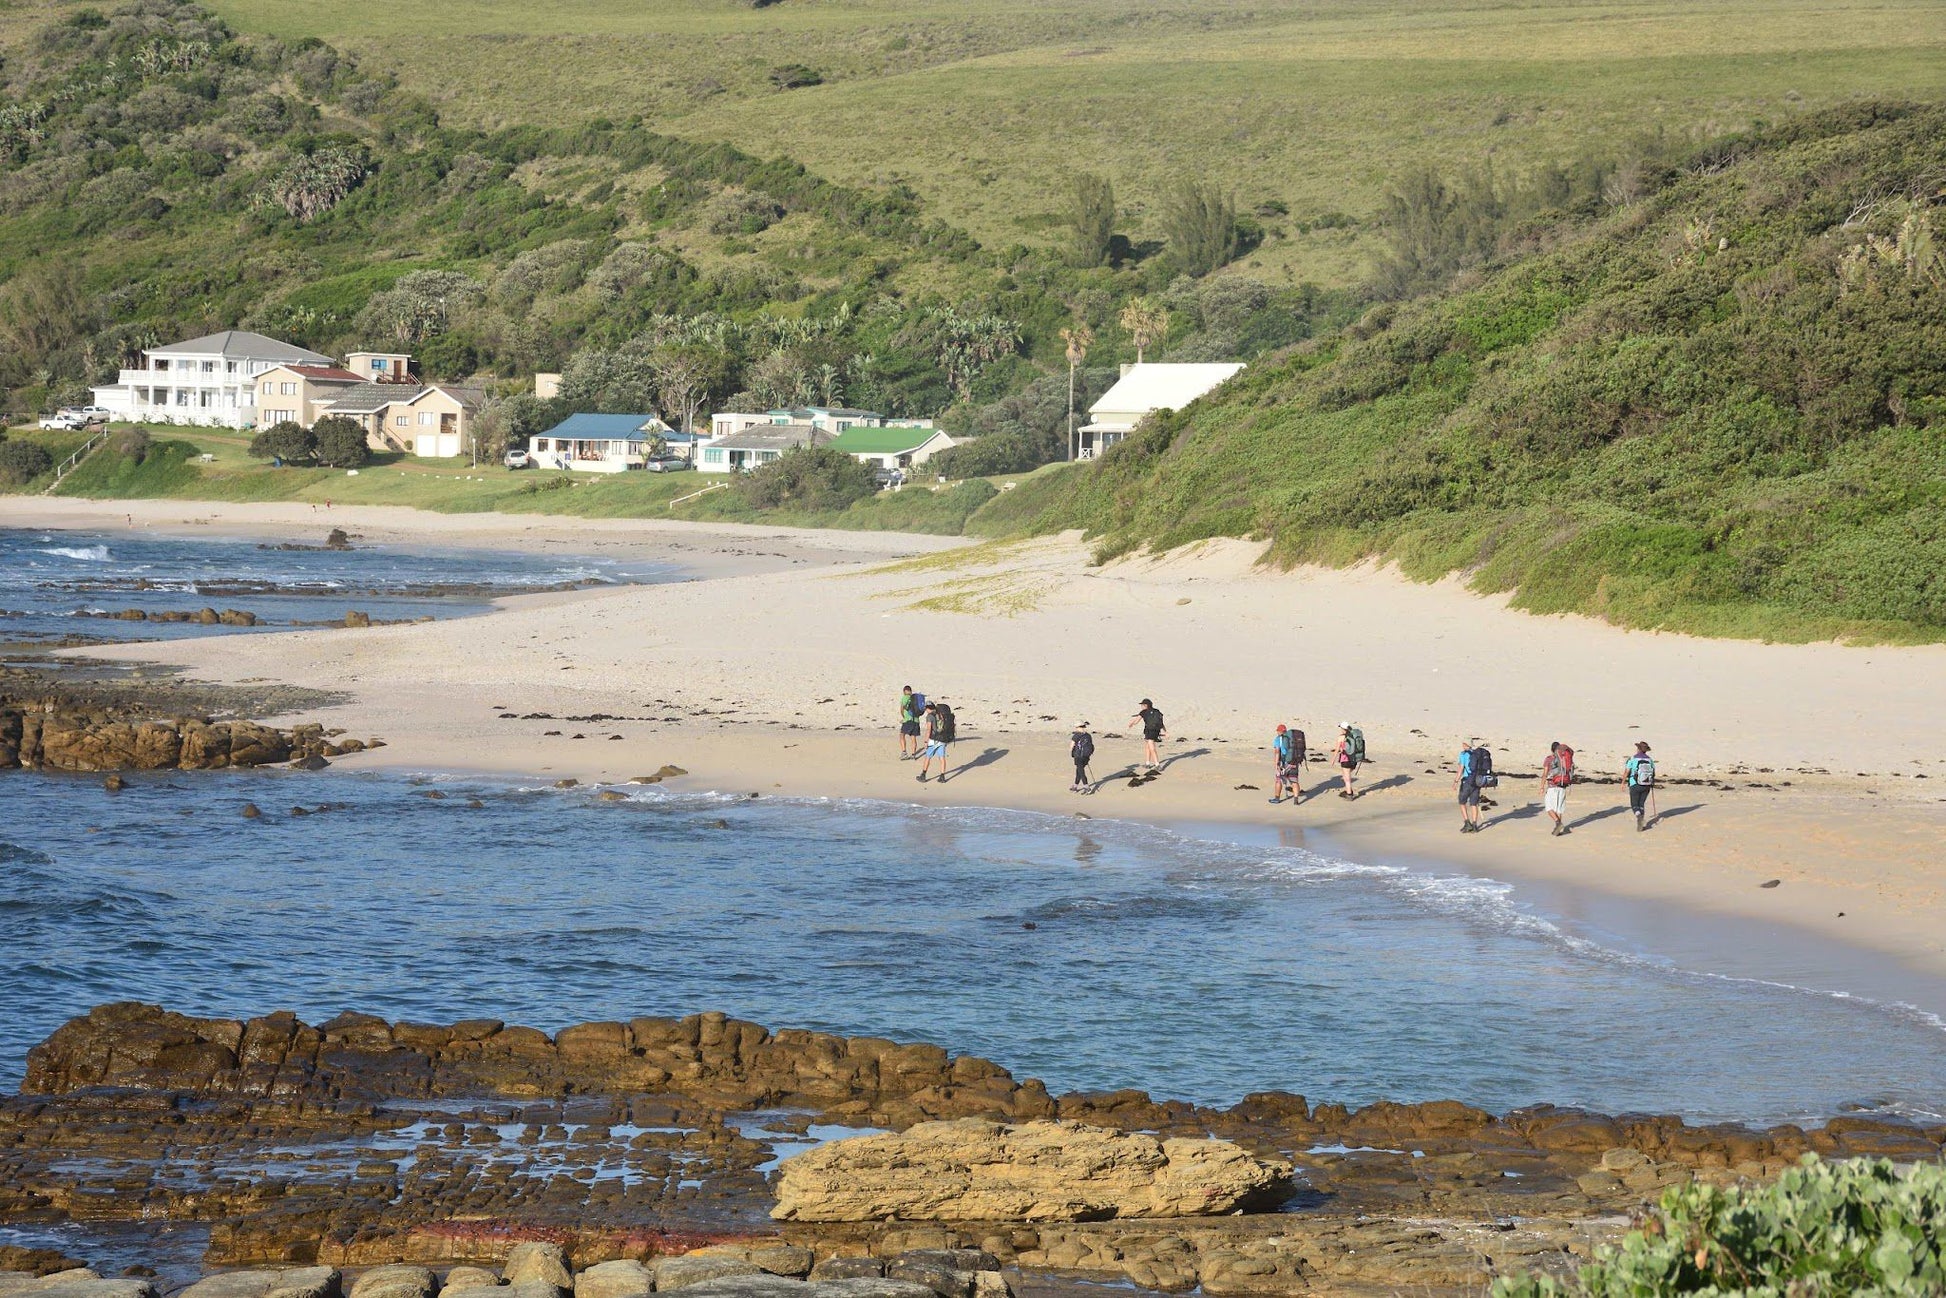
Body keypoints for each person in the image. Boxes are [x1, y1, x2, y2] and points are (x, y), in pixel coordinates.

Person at [1541, 740, 1575, 836]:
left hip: (1552, 787)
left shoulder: (1549, 759)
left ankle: (1558, 823)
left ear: (1552, 750)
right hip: (1563, 785)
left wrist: (1542, 787)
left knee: (1549, 807)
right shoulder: (1564, 759)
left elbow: (1545, 774)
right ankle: (1559, 830)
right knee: (1559, 809)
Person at [917, 700, 955, 783]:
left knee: (928, 757)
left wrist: (926, 742)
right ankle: (942, 776)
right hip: (943, 739)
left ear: (928, 708)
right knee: (942, 758)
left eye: (926, 709)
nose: (925, 711)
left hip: (933, 740)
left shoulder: (930, 716)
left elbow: (928, 730)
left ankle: (923, 775)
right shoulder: (941, 714)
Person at [1127, 698, 1166, 773]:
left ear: (1146, 705)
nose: (1141, 706)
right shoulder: (1156, 711)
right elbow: (1161, 723)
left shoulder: (1143, 712)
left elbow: (1136, 721)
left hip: (1149, 731)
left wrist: (1131, 723)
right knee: (1148, 746)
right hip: (1156, 731)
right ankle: (1147, 763)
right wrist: (1166, 731)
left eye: (1142, 705)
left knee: (1152, 748)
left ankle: (1157, 765)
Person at [1625, 740, 1657, 831]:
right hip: (1647, 785)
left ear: (1638, 749)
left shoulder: (1632, 758)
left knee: (1634, 804)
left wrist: (1623, 782)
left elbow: (1627, 771)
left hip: (1634, 783)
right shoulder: (1650, 760)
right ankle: (1641, 823)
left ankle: (1639, 816)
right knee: (1641, 804)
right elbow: (1653, 772)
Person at [1456, 739, 1486, 832]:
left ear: (1466, 744)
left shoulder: (1463, 754)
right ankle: (1474, 825)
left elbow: (1461, 768)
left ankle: (1467, 823)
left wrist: (1456, 781)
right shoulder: (1477, 754)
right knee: (1474, 803)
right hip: (1477, 781)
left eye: (1463, 743)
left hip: (1467, 781)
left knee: (1462, 802)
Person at [1270, 724, 1306, 803]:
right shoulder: (1292, 739)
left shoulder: (1278, 739)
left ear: (1279, 731)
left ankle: (1277, 799)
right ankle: (1296, 800)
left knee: (1278, 780)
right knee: (1294, 781)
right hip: (1294, 761)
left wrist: (1276, 764)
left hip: (1283, 763)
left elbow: (1277, 752)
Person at [1332, 722, 1364, 799]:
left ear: (1343, 729)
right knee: (1346, 775)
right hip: (1355, 759)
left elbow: (1336, 750)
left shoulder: (1341, 737)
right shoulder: (1354, 735)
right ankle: (1348, 790)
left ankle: (1349, 794)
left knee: (1347, 779)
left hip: (1345, 759)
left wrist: (1333, 759)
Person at [897, 685, 924, 760]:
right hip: (916, 721)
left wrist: (904, 717)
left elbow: (902, 708)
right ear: (911, 691)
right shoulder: (914, 698)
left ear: (904, 691)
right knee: (913, 737)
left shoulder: (905, 697)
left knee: (902, 735)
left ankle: (904, 752)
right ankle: (913, 754)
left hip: (908, 720)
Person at [1070, 722, 1095, 793]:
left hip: (1078, 756)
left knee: (1080, 771)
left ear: (1078, 727)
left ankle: (1086, 786)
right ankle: (1075, 786)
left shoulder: (1076, 735)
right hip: (1086, 756)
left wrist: (1072, 751)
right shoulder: (1088, 735)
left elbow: (1071, 746)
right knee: (1079, 770)